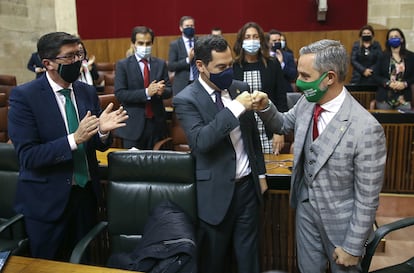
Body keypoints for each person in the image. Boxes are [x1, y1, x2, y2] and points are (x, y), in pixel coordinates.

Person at [252, 39, 386, 273]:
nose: (298, 82)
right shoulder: (307, 102)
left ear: (330, 78)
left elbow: (367, 198)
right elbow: (283, 125)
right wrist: (266, 107)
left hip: (342, 227)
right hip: (305, 212)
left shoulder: (366, 128)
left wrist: (353, 247)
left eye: (305, 76)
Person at [8, 32, 128, 260]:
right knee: (49, 263)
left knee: (84, 260)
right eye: (70, 56)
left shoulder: (87, 91)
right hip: (46, 202)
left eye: (79, 54)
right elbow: (28, 157)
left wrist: (102, 131)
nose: (78, 62)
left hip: (84, 196)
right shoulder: (25, 97)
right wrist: (74, 138)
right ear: (48, 63)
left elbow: (96, 145)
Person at [173, 34, 267, 273]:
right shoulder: (186, 99)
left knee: (249, 260)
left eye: (231, 65)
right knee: (214, 262)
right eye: (221, 67)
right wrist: (236, 108)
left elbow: (252, 136)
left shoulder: (240, 88)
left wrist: (262, 174)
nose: (228, 71)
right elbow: (201, 141)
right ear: (201, 66)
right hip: (214, 193)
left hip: (247, 187)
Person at [233, 22, 288, 155]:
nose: (251, 40)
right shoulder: (234, 66)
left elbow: (281, 98)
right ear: (241, 41)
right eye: (247, 37)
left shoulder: (272, 64)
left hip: (268, 129)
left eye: (255, 37)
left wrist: (279, 130)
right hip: (242, 130)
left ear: (261, 40)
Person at [114, 26, 172, 149]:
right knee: (133, 166)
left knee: (157, 166)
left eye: (148, 43)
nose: (145, 47)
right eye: (140, 43)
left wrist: (162, 91)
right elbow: (120, 94)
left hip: (157, 125)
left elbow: (169, 90)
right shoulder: (123, 65)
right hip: (133, 126)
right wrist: (146, 92)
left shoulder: (160, 64)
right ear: (133, 44)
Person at [374, 27, 414, 110]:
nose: (393, 39)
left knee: (403, 122)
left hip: (404, 98)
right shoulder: (382, 56)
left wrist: (405, 84)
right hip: (384, 98)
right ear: (388, 41)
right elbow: (376, 75)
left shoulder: (411, 56)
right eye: (391, 37)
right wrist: (388, 83)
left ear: (402, 39)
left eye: (396, 36)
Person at [168, 15, 197, 95]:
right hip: (182, 85)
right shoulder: (175, 45)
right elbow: (171, 66)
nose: (190, 28)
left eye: (192, 26)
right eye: (187, 26)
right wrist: (188, 60)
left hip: (198, 83)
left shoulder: (199, 42)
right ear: (181, 28)